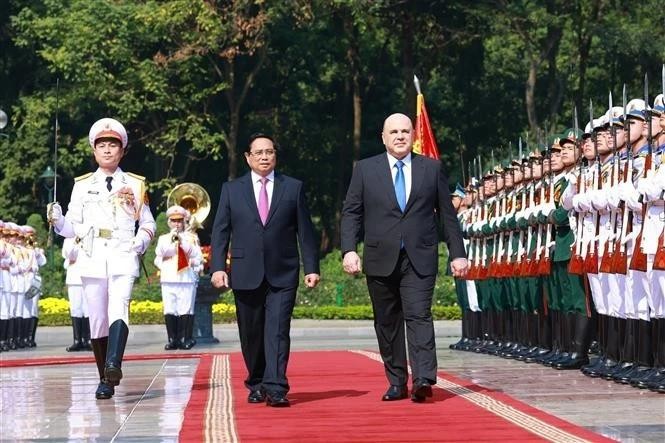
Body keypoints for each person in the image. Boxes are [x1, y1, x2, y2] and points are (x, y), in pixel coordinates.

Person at [340, 113, 468, 403]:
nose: (400, 136)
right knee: (387, 322)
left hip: (419, 257)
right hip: (379, 257)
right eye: (393, 132)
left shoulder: (431, 169)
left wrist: (457, 254)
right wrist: (349, 249)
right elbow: (351, 212)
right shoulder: (365, 169)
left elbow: (447, 216)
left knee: (419, 315)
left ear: (414, 136)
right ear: (383, 137)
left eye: (405, 131)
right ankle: (396, 381)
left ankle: (423, 378)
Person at [47, 117, 156, 400]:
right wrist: (58, 221)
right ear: (94, 151)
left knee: (120, 308)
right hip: (92, 256)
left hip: (122, 252)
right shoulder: (82, 185)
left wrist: (140, 241)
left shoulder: (134, 183)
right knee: (97, 319)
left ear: (122, 151)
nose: (107, 150)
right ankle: (104, 379)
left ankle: (113, 365)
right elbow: (72, 227)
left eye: (113, 145)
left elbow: (148, 223)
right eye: (102, 145)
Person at [210, 133, 320, 407]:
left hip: (283, 272)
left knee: (278, 330)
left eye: (269, 152)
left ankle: (276, 386)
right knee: (251, 332)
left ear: (275, 156)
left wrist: (312, 267)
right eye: (258, 152)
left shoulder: (292, 187)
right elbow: (221, 231)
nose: (264, 157)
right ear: (247, 157)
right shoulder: (231, 189)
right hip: (245, 272)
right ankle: (257, 381)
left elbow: (305, 231)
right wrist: (217, 267)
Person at [154, 205, 203, 350]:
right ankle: (172, 339)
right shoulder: (164, 238)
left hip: (186, 278)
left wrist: (182, 242)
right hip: (169, 277)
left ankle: (185, 339)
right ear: (169, 222)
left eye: (179, 221)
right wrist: (172, 241)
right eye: (174, 221)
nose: (177, 224)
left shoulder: (191, 238)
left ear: (184, 221)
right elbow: (159, 255)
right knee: (170, 309)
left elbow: (197, 256)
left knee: (185, 309)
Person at [62, 237, 92, 352]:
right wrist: (76, 241)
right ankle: (77, 340)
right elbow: (69, 255)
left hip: (88, 276)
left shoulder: (89, 237)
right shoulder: (69, 240)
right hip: (74, 278)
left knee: (87, 309)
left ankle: (88, 340)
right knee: (76, 309)